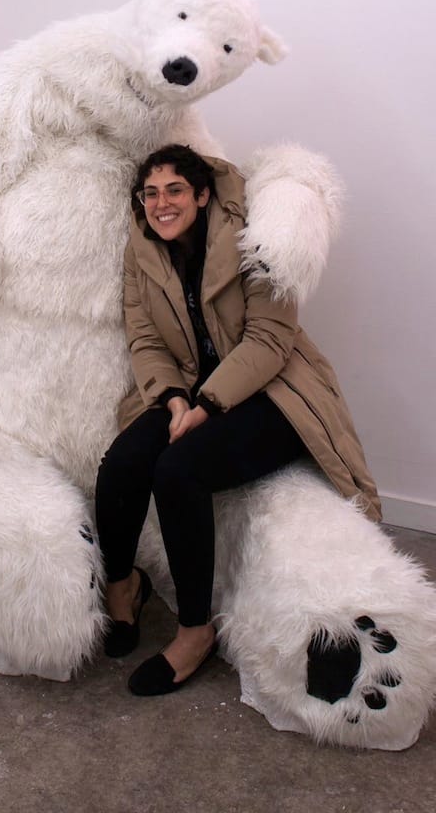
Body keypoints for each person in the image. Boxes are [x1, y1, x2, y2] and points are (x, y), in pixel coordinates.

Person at [95, 144, 380, 697]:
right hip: (189, 388)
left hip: (272, 392)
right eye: (150, 193)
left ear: (201, 195)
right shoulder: (142, 248)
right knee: (122, 465)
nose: (161, 203)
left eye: (174, 190)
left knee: (179, 472)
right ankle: (124, 587)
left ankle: (195, 631)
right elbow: (145, 338)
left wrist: (207, 405)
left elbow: (273, 339)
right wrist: (175, 399)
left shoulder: (256, 235)